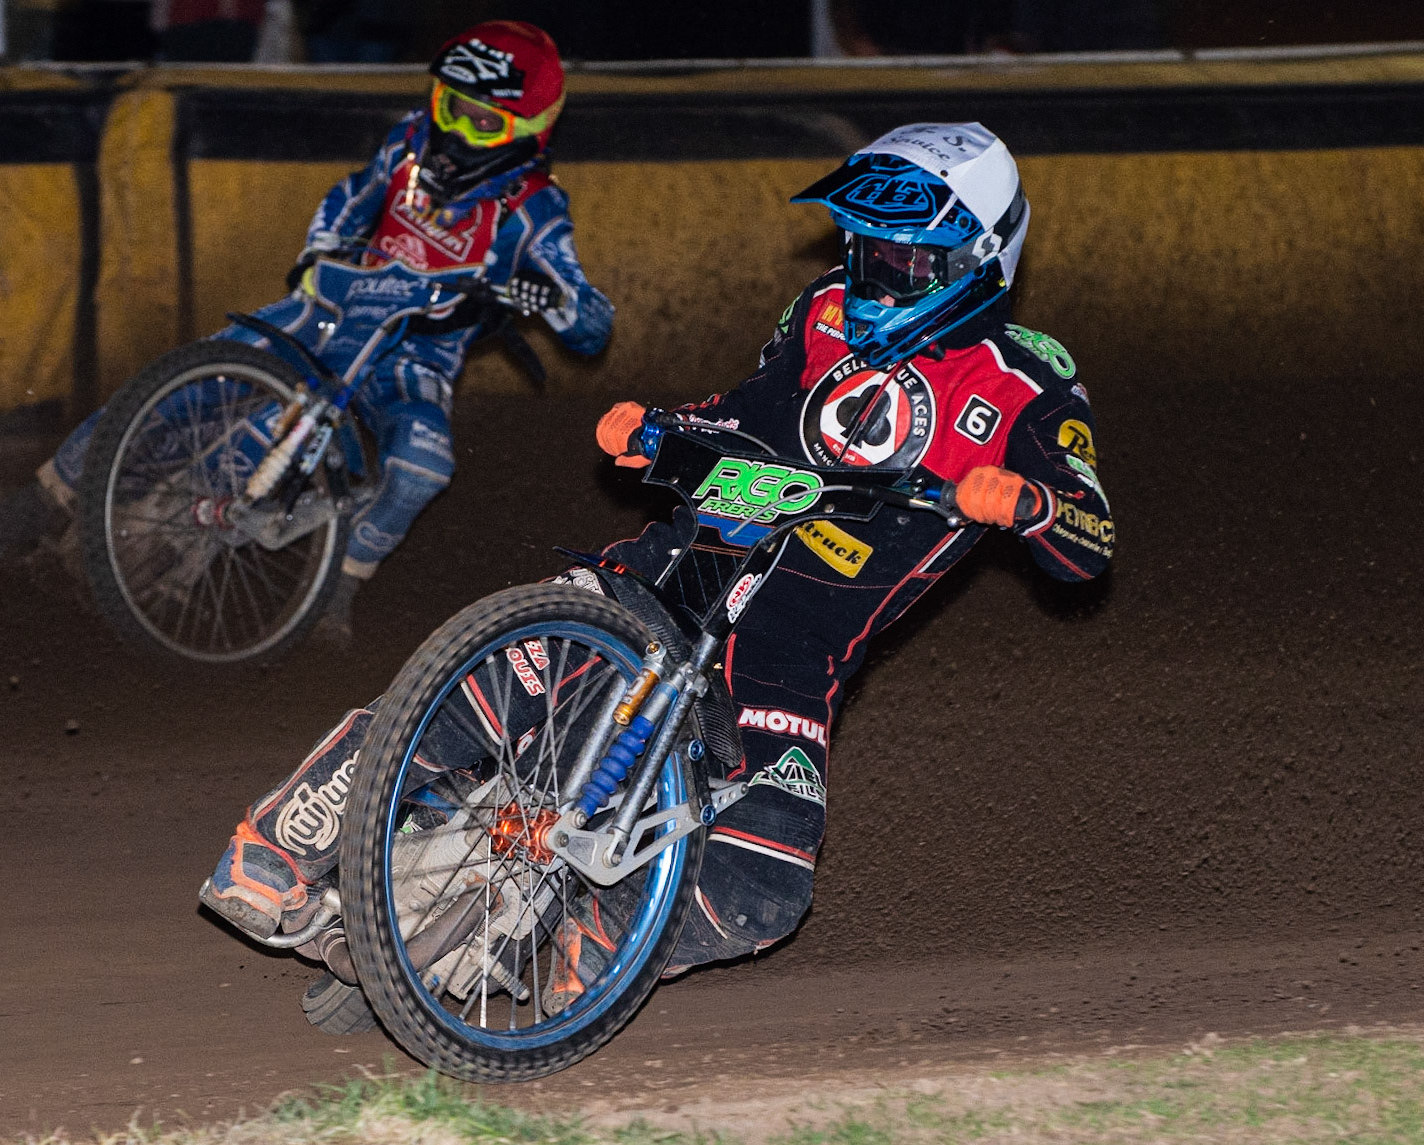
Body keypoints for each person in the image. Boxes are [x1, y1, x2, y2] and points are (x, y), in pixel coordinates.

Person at [198, 122, 1112, 990]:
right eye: (867, 247)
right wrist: (662, 429)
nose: (875, 273)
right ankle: (275, 847)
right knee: (506, 670)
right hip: (683, 568)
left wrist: (1029, 503)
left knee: (765, 889)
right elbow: (744, 415)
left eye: (905, 258)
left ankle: (578, 961)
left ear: (977, 260)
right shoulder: (824, 312)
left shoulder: (1031, 379)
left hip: (789, 652)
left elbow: (1090, 545)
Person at [0, 19, 613, 640]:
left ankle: (336, 593)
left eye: (479, 119)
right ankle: (43, 498)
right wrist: (323, 249)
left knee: (422, 463)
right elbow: (351, 197)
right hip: (326, 309)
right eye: (449, 106)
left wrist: (553, 303)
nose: (452, 130)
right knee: (188, 379)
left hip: (415, 359)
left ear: (527, 131)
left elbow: (591, 322)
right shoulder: (409, 144)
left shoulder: (536, 211)